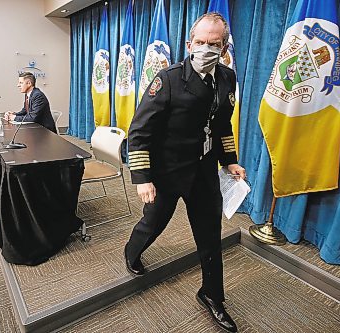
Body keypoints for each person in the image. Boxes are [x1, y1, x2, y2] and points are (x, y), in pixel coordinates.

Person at [124, 13, 245, 333]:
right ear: (190, 43)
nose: (207, 48)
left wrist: (229, 160)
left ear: (223, 47)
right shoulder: (168, 79)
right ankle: (131, 251)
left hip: (203, 173)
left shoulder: (227, 78)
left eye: (214, 44)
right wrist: (143, 177)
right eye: (201, 42)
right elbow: (138, 133)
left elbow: (222, 125)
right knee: (153, 224)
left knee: (210, 237)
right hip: (166, 172)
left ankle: (212, 295)